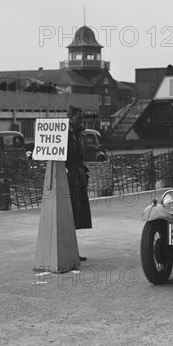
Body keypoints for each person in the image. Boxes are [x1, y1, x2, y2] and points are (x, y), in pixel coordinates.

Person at [66, 106, 92, 261]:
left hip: (78, 175)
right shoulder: (65, 133)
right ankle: (67, 251)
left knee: (76, 214)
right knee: (68, 213)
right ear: (71, 117)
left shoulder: (77, 132)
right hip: (70, 176)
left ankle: (72, 251)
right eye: (79, 118)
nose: (81, 121)